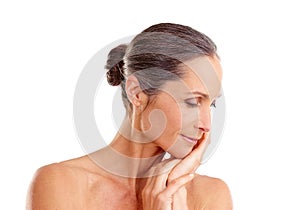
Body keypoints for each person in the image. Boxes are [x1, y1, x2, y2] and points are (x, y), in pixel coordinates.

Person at [26, 23, 232, 209]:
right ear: (136, 92)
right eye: (192, 101)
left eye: (211, 103)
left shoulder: (210, 196)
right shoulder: (61, 183)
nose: (206, 125)